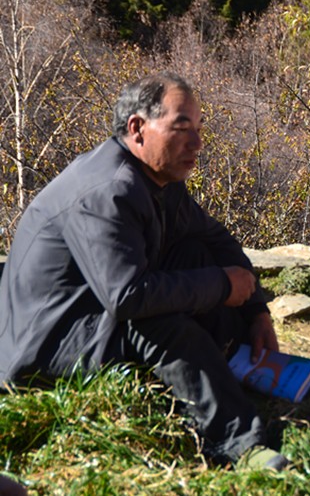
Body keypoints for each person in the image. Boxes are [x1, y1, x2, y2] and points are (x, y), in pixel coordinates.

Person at [0, 73, 286, 470]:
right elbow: (127, 297)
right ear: (137, 128)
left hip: (89, 311)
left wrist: (256, 311)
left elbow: (214, 238)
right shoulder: (109, 191)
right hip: (45, 344)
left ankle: (243, 363)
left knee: (195, 252)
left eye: (199, 128)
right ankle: (238, 444)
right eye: (182, 128)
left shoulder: (157, 180)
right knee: (157, 319)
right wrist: (222, 285)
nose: (197, 143)